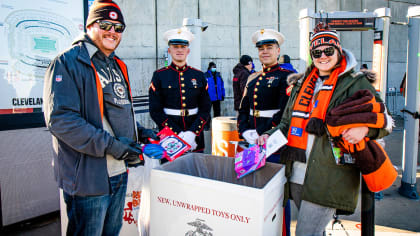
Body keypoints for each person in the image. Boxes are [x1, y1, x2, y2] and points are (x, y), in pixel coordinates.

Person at [258, 23, 392, 236]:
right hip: (296, 172)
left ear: (338, 50)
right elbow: (286, 124)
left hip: (329, 175)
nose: (323, 56)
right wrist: (267, 135)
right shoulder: (302, 83)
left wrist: (364, 130)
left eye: (328, 51)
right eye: (316, 52)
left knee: (305, 233)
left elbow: (384, 121)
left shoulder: (355, 83)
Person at [43, 1, 160, 235]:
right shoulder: (67, 62)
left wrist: (141, 133)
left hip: (118, 173)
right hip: (88, 179)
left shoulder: (117, 65)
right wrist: (113, 146)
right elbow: (62, 120)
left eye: (119, 28)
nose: (113, 32)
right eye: (106, 24)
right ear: (90, 26)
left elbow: (112, 114)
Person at [148, 27, 211, 152]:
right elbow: (155, 110)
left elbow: (205, 108)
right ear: (169, 50)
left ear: (188, 51)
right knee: (170, 170)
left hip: (195, 136)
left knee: (196, 169)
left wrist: (192, 133)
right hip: (169, 136)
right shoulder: (159, 75)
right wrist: (178, 134)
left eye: (183, 47)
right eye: (175, 47)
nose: (179, 50)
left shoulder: (198, 75)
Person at [237, 29, 293, 150]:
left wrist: (262, 131)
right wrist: (244, 130)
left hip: (274, 140)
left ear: (278, 51)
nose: (265, 52)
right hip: (251, 139)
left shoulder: (287, 76)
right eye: (261, 49)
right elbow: (244, 108)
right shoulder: (252, 77)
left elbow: (285, 111)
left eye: (269, 47)